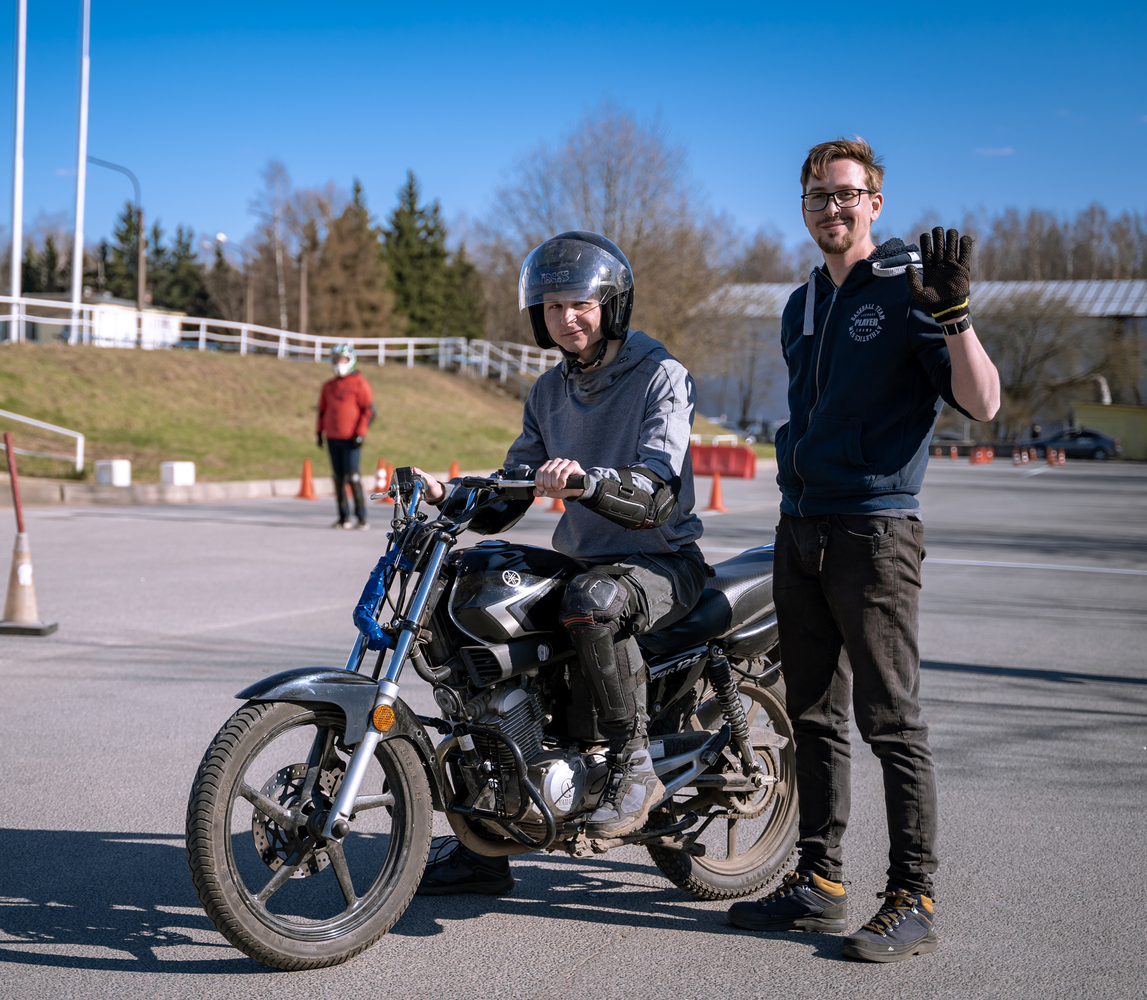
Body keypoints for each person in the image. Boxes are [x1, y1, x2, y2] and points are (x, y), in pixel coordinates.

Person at [725, 138, 1000, 963]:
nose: (831, 209)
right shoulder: (801, 303)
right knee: (812, 716)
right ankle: (821, 884)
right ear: (804, 208)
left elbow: (982, 404)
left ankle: (912, 897)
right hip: (799, 527)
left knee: (890, 722)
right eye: (817, 196)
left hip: (876, 533)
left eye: (846, 195)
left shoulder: (912, 286)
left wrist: (954, 315)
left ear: (875, 203)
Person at [409, 231, 708, 895]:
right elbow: (511, 486)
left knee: (593, 601)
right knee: (468, 605)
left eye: (580, 304)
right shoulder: (548, 391)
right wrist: (449, 494)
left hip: (660, 563)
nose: (565, 318)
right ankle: (484, 843)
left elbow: (658, 488)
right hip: (586, 563)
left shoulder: (661, 375)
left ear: (612, 305)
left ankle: (633, 764)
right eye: (550, 308)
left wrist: (590, 483)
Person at [316, 345, 375, 530]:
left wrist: (360, 433)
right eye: (336, 360)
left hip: (352, 439)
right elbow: (322, 411)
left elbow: (369, 410)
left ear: (351, 361)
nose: (339, 363)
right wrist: (319, 432)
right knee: (338, 477)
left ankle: (361, 517)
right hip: (333, 437)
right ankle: (343, 517)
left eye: (343, 360)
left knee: (353, 477)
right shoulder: (328, 386)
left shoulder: (360, 383)